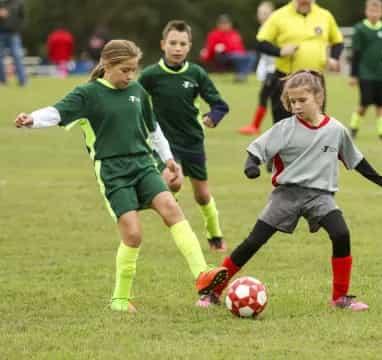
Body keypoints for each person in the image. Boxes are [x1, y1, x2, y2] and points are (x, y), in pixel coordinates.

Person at [14, 39, 227, 313]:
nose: (130, 76)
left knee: (171, 209)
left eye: (133, 70)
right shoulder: (88, 94)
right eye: (124, 70)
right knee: (134, 235)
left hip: (143, 164)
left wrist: (169, 159)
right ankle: (120, 299)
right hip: (113, 172)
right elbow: (57, 112)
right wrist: (31, 119)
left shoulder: (137, 90)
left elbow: (153, 128)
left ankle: (202, 275)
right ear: (107, 65)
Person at [196, 70, 382, 310]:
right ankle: (213, 291)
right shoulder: (285, 128)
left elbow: (356, 160)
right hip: (287, 194)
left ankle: (340, 298)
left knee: (341, 234)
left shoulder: (335, 130)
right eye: (292, 101)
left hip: (320, 196)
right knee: (254, 241)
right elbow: (255, 151)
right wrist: (251, 166)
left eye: (302, 100)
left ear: (319, 97)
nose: (296, 106)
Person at [139, 20, 229, 253]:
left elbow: (220, 105)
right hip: (164, 143)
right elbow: (134, 99)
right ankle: (183, 232)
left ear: (189, 46)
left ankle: (215, 235)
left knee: (202, 195)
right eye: (172, 43)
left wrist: (213, 117)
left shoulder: (196, 73)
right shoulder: (151, 75)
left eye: (182, 43)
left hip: (192, 141)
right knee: (172, 182)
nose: (177, 48)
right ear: (163, 45)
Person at [256, 0, 344, 124]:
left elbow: (338, 41)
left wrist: (334, 58)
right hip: (286, 77)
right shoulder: (279, 15)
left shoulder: (325, 15)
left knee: (316, 123)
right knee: (284, 124)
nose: (305, 3)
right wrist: (280, 51)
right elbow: (261, 42)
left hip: (315, 79)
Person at [349, 0, 382, 140]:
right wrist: (353, 75)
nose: (374, 14)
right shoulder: (360, 29)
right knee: (364, 104)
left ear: (381, 12)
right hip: (365, 74)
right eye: (371, 11)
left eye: (377, 11)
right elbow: (356, 54)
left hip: (381, 74)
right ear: (366, 12)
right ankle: (353, 128)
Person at [238, 1, 276, 135]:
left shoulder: (274, 28)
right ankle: (256, 126)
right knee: (266, 97)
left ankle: (255, 126)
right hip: (269, 69)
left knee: (267, 97)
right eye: (260, 13)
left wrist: (272, 68)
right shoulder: (263, 28)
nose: (262, 16)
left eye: (265, 13)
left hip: (276, 70)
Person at [200, 14, 256, 82]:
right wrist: (205, 57)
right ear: (218, 24)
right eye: (222, 23)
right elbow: (209, 50)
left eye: (226, 23)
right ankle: (241, 75)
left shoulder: (235, 34)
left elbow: (241, 48)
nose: (225, 25)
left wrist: (243, 54)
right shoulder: (214, 35)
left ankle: (242, 75)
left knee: (252, 55)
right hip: (224, 57)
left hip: (237, 56)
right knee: (237, 56)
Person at [0, 0, 27, 86]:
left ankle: (22, 81)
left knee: (17, 56)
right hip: (1, 33)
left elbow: (23, 18)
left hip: (14, 34)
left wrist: (17, 28)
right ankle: (2, 81)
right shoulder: (1, 2)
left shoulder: (19, 3)